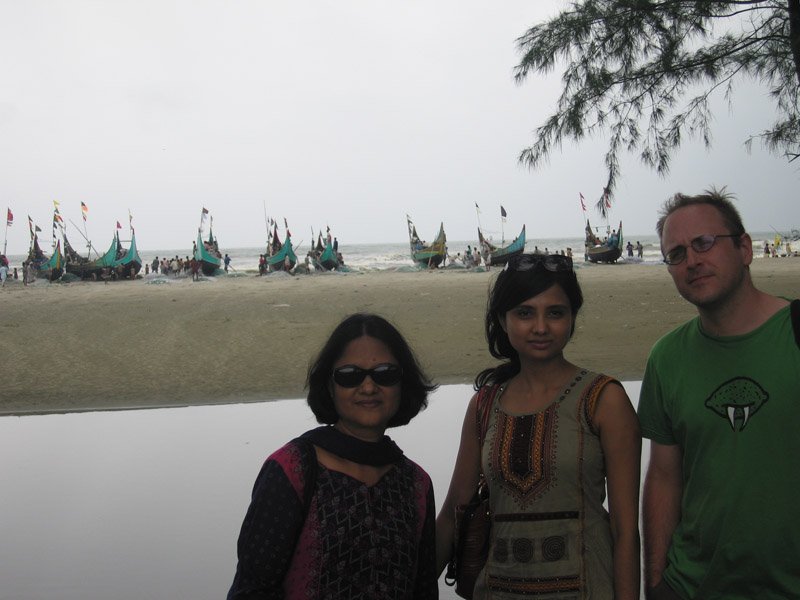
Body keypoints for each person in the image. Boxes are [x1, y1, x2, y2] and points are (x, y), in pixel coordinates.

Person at [436, 253, 641, 599]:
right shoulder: (484, 406)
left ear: (572, 318)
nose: (541, 327)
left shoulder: (604, 400)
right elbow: (452, 515)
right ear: (503, 319)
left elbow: (625, 530)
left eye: (556, 313)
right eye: (525, 313)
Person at [638, 188, 800, 599]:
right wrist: (656, 583)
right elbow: (663, 476)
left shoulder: (794, 334)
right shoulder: (666, 358)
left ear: (744, 248)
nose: (692, 260)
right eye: (676, 254)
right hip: (693, 586)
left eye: (704, 243)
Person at [227, 313, 440, 599]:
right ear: (329, 385)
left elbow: (423, 590)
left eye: (385, 374)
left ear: (403, 383)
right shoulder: (293, 469)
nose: (368, 388)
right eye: (350, 375)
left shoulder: (416, 484)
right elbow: (252, 589)